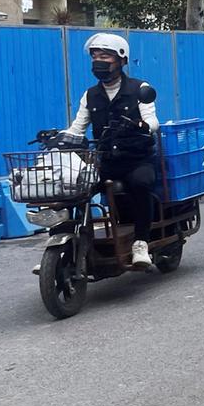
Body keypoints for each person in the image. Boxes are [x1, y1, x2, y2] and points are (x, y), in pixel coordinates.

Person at [65, 33, 160, 267]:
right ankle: (68, 245)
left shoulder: (140, 88)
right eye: (95, 56)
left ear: (122, 60)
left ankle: (141, 244)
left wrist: (141, 125)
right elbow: (77, 128)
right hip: (105, 162)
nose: (99, 61)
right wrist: (61, 137)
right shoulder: (90, 95)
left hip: (136, 160)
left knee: (140, 183)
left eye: (105, 56)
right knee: (71, 188)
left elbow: (153, 121)